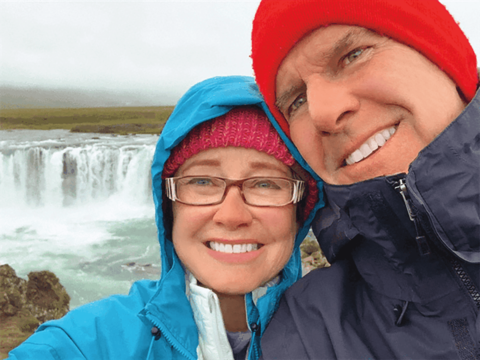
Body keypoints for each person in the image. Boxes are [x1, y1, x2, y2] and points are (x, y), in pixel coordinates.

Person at [7, 75, 321, 360]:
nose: (232, 215)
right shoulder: (85, 343)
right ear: (169, 208)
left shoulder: (351, 337)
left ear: (300, 211)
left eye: (266, 184)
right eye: (202, 182)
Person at [251, 0, 480, 359]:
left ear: (445, 62)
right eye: (296, 102)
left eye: (353, 55)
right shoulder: (307, 331)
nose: (323, 113)